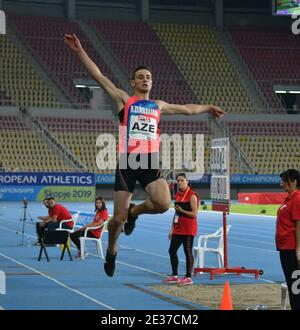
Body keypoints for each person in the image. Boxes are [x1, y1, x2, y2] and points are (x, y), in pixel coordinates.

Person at [64, 34, 224, 277]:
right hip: (128, 161)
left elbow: (188, 110)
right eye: (141, 77)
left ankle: (134, 213)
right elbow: (99, 76)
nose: (145, 80)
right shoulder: (124, 100)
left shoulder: (158, 105)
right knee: (116, 218)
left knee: (163, 204)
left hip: (149, 160)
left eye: (148, 77)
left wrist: (208, 107)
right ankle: (112, 249)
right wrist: (79, 50)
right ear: (133, 82)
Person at [164, 173, 200, 286]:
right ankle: (174, 275)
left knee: (187, 252)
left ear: (187, 181)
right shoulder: (178, 195)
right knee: (172, 250)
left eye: (182, 180)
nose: (179, 182)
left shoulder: (192, 195)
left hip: (189, 228)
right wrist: (171, 229)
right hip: (178, 228)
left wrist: (182, 210)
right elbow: (176, 213)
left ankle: (188, 277)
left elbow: (194, 214)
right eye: (178, 181)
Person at [276, 169, 300, 310]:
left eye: (284, 180)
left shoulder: (297, 199)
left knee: (295, 284)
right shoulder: (289, 198)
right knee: (292, 283)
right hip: (285, 247)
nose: (282, 184)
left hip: (291, 248)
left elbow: (299, 225)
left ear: (293, 181)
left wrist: (298, 250)